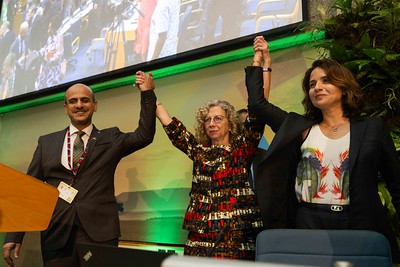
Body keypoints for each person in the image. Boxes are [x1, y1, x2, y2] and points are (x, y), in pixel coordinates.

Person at [246, 57, 400, 262]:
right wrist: (260, 62)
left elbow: (396, 183)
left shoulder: (372, 128)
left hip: (358, 223)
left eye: (325, 80)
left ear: (343, 86)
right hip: (308, 221)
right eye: (312, 84)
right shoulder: (299, 128)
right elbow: (258, 104)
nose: (317, 87)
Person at [3, 80, 157, 266]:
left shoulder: (111, 138)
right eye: (73, 101)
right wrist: (15, 234)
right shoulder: (46, 143)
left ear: (94, 105)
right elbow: (29, 191)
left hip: (100, 234)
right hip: (57, 233)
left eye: (85, 100)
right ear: (65, 108)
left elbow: (144, 135)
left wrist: (147, 93)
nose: (79, 105)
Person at [135, 56, 266, 259]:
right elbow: (172, 127)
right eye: (207, 120)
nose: (211, 123)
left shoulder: (242, 148)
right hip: (199, 236)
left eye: (218, 118)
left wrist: (260, 63)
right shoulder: (199, 152)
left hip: (235, 236)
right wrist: (149, 92)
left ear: (230, 122)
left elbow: (259, 109)